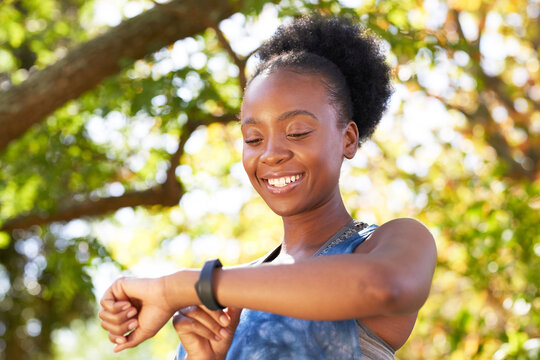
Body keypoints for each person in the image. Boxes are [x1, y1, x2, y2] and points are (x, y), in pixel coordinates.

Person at [99, 14, 437, 360]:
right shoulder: (221, 303)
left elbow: (383, 286)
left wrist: (179, 287)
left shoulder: (388, 244)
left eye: (298, 132)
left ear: (348, 139)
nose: (272, 154)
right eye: (254, 138)